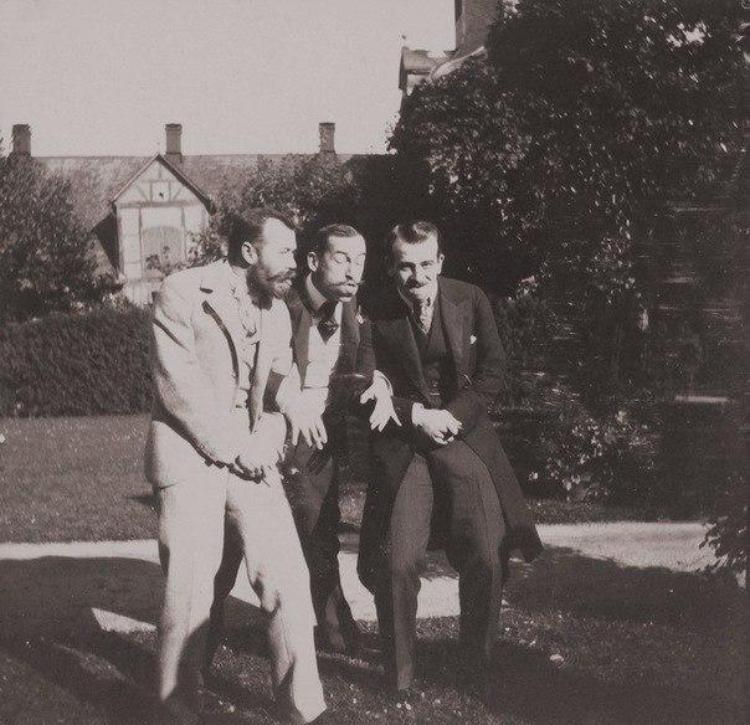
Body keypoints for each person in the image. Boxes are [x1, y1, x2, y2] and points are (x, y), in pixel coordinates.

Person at [145, 208, 326, 724]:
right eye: (285, 251)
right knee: (190, 591)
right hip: (189, 453)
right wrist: (236, 448)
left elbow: (278, 385)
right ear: (248, 251)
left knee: (288, 577)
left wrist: (268, 439)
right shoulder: (182, 292)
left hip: (251, 454)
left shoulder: (277, 310)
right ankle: (176, 712)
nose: (295, 263)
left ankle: (304, 710)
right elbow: (177, 387)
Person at [358, 221, 543, 696]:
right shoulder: (373, 310)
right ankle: (399, 677)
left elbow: (493, 371)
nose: (416, 276)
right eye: (405, 266)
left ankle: (475, 665)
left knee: (487, 553)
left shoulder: (470, 299)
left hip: (462, 437)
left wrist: (451, 416)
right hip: (405, 446)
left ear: (440, 262)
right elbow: (364, 381)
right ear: (391, 268)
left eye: (426, 264)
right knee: (397, 562)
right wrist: (415, 415)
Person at [207, 223, 398, 659]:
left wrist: (378, 383)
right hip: (261, 429)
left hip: (316, 439)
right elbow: (253, 368)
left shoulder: (353, 305)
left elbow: (361, 366)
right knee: (230, 541)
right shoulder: (278, 302)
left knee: (319, 530)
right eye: (342, 258)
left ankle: (335, 630)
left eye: (360, 260)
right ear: (313, 261)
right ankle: (202, 633)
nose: (353, 270)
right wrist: (290, 401)